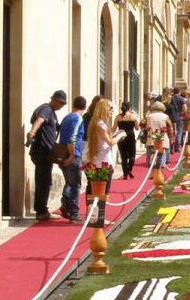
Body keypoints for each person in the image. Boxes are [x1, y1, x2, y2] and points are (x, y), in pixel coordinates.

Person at [27, 89, 67, 221]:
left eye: (63, 104)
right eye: (60, 103)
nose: (61, 106)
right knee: (43, 181)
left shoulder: (52, 112)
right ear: (54, 100)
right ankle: (42, 211)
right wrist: (32, 132)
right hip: (42, 151)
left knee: (44, 181)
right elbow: (40, 120)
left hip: (45, 152)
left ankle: (42, 209)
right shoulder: (47, 109)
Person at [82, 97, 119, 228]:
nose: (112, 112)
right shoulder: (100, 124)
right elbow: (110, 142)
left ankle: (94, 216)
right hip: (100, 162)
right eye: (110, 109)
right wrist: (120, 135)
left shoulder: (98, 123)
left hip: (100, 160)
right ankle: (97, 217)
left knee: (96, 190)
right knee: (102, 191)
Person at [57, 96, 87, 222]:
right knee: (75, 185)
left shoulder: (67, 117)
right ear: (84, 107)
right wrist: (72, 155)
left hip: (62, 153)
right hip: (72, 154)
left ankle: (65, 205)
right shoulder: (77, 118)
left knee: (69, 182)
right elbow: (72, 137)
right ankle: (73, 211)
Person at [145, 100, 172, 169]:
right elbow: (170, 127)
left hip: (151, 138)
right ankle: (159, 174)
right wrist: (171, 136)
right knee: (162, 161)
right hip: (162, 138)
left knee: (151, 162)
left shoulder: (148, 116)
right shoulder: (165, 116)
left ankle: (152, 173)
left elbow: (144, 125)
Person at [115, 101, 138, 179]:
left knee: (123, 156)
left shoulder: (118, 117)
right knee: (132, 155)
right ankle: (129, 170)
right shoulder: (133, 116)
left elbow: (114, 128)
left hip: (121, 137)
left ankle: (125, 174)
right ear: (129, 108)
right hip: (130, 136)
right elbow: (137, 128)